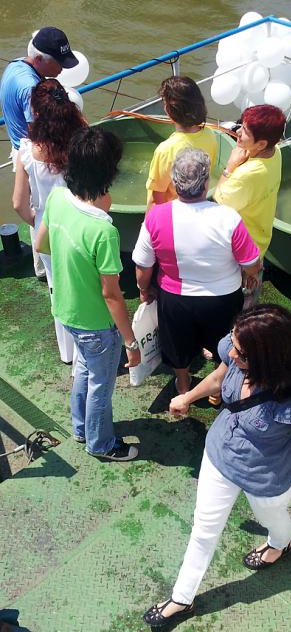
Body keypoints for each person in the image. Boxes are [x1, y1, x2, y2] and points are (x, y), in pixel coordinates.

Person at [143, 304, 291, 628]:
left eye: (240, 352)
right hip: (220, 455)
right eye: (232, 341)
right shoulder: (235, 348)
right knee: (204, 530)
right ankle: (182, 599)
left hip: (266, 477)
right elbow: (219, 375)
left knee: (274, 520)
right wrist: (188, 397)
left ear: (268, 356)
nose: (229, 351)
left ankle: (280, 545)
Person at [35, 127, 141, 462]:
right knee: (101, 384)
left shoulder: (56, 199)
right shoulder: (103, 230)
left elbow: (40, 244)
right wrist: (131, 341)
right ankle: (101, 443)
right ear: (107, 174)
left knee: (83, 369)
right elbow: (112, 295)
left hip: (66, 310)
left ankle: (81, 427)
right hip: (97, 323)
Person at [133, 147, 261, 395]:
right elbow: (251, 264)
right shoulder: (228, 217)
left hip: (174, 300)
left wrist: (144, 290)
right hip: (222, 299)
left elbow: (142, 267)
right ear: (206, 183)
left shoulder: (156, 217)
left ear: (174, 181)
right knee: (223, 346)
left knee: (177, 347)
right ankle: (216, 390)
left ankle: (183, 384)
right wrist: (252, 274)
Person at [12, 78, 87, 363]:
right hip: (81, 222)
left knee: (58, 289)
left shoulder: (27, 152)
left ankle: (69, 353)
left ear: (37, 112)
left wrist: (36, 222)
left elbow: (18, 203)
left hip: (48, 228)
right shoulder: (81, 141)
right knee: (87, 284)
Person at [1, 26, 78, 279]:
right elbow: (40, 132)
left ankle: (43, 264)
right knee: (43, 209)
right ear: (40, 60)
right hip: (34, 157)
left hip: (24, 152)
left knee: (39, 208)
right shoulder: (30, 88)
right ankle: (45, 268)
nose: (63, 70)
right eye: (59, 64)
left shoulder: (15, 66)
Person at [214, 104, 285, 307]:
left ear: (261, 144)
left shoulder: (247, 175)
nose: (237, 133)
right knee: (251, 294)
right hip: (259, 242)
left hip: (240, 252)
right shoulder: (276, 152)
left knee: (237, 305)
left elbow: (220, 201)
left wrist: (229, 168)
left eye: (244, 131)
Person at [146, 76, 217, 211]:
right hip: (196, 209)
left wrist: (148, 227)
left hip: (172, 214)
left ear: (168, 109)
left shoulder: (166, 150)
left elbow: (156, 200)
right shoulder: (210, 135)